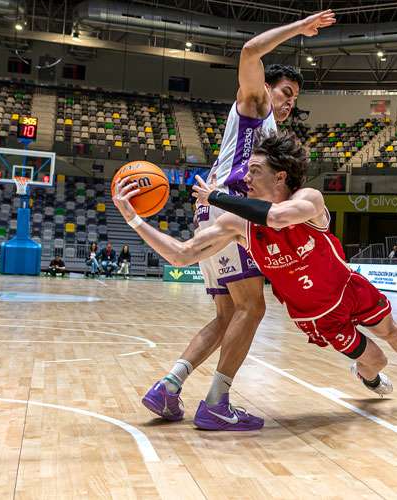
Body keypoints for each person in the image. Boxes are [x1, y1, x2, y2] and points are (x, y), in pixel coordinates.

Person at [114, 132, 397, 421]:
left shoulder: (309, 200)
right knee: (377, 359)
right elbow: (180, 254)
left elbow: (279, 218)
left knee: (393, 332)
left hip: (348, 289)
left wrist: (217, 196)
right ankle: (368, 376)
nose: (245, 178)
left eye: (254, 171)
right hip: (315, 315)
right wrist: (133, 218)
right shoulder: (237, 224)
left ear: (279, 176)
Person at [140, 11, 337, 431]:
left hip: (211, 213)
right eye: (286, 92)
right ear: (267, 87)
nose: (289, 102)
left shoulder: (267, 132)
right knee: (253, 307)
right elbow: (249, 50)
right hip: (232, 213)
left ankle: (169, 386)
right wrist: (299, 30)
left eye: (295, 98)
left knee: (227, 315)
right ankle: (216, 402)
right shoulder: (256, 105)